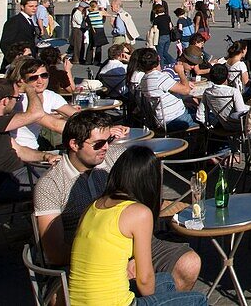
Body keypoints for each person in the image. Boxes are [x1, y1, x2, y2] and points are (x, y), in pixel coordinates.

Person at [33, 111, 200, 291]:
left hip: (131, 242)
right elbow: (55, 253)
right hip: (83, 259)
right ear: (74, 144)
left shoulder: (115, 158)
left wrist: (135, 255)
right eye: (98, 144)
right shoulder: (50, 184)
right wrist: (115, 260)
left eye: (108, 140)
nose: (106, 147)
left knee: (189, 263)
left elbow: (142, 206)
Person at [67, 146, 208, 306]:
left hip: (78, 301)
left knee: (166, 280)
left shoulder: (93, 206)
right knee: (199, 300)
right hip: (115, 303)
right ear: (150, 181)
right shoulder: (139, 213)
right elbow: (145, 281)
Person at [0, 78, 60, 203]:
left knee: (65, 171)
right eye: (17, 98)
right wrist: (29, 89)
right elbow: (36, 113)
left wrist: (45, 156)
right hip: (4, 184)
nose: (17, 102)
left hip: (16, 174)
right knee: (66, 180)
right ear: (5, 101)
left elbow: (19, 150)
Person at [8, 56, 78, 149]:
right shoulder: (20, 99)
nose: (40, 81)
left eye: (44, 75)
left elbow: (76, 115)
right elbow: (54, 125)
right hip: (15, 152)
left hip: (33, 147)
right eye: (34, 78)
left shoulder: (49, 95)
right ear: (23, 80)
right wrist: (87, 131)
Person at [138, 47, 196, 131]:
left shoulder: (143, 80)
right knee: (206, 117)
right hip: (176, 119)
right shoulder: (159, 78)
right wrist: (181, 72)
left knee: (194, 109)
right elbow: (186, 90)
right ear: (158, 59)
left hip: (161, 119)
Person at [0, 0, 40, 73]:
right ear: (22, 7)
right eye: (31, 6)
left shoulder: (29, 20)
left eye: (36, 6)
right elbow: (5, 43)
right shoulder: (15, 21)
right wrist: (15, 60)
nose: (34, 8)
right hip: (18, 65)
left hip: (28, 62)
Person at [203, 63, 250, 128]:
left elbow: (200, 114)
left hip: (220, 124)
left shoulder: (207, 92)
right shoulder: (234, 91)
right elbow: (240, 114)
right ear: (227, 76)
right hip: (237, 126)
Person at [83, 1, 109, 65]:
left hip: (92, 30)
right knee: (99, 46)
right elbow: (107, 14)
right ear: (96, 6)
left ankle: (88, 60)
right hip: (99, 30)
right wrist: (102, 9)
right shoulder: (99, 12)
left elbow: (87, 21)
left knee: (91, 45)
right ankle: (97, 61)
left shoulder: (90, 14)